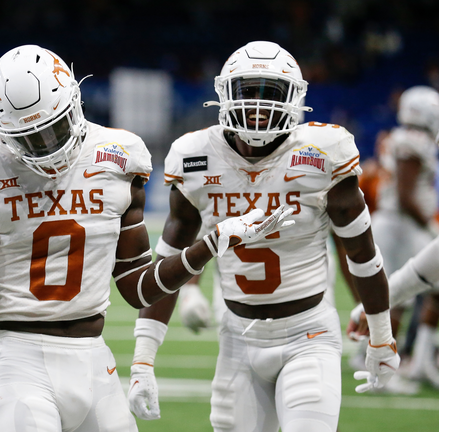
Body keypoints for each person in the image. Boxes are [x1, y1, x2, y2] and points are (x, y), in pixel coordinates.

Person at [0, 44, 293, 432]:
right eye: (31, 138)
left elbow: (138, 289)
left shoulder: (118, 156)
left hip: (92, 357)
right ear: (2, 131)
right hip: (19, 359)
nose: (48, 147)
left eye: (54, 128)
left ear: (76, 104)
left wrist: (210, 243)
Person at [127, 41, 399, 432]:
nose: (257, 105)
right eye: (247, 91)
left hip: (309, 334)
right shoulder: (194, 157)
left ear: (295, 99)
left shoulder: (322, 152)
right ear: (225, 95)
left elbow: (362, 255)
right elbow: (167, 270)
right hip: (237, 337)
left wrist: (382, 337)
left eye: (269, 92)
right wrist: (142, 359)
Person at [369, 85, 439, 387]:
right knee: (398, 297)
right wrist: (430, 225)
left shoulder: (400, 137)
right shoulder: (414, 141)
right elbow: (406, 194)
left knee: (406, 294)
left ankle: (419, 361)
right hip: (402, 223)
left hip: (393, 222)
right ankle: (391, 369)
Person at [347, 236, 439, 387]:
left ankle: (421, 362)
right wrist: (376, 303)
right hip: (399, 232)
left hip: (409, 233)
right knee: (402, 305)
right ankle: (380, 369)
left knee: (435, 295)